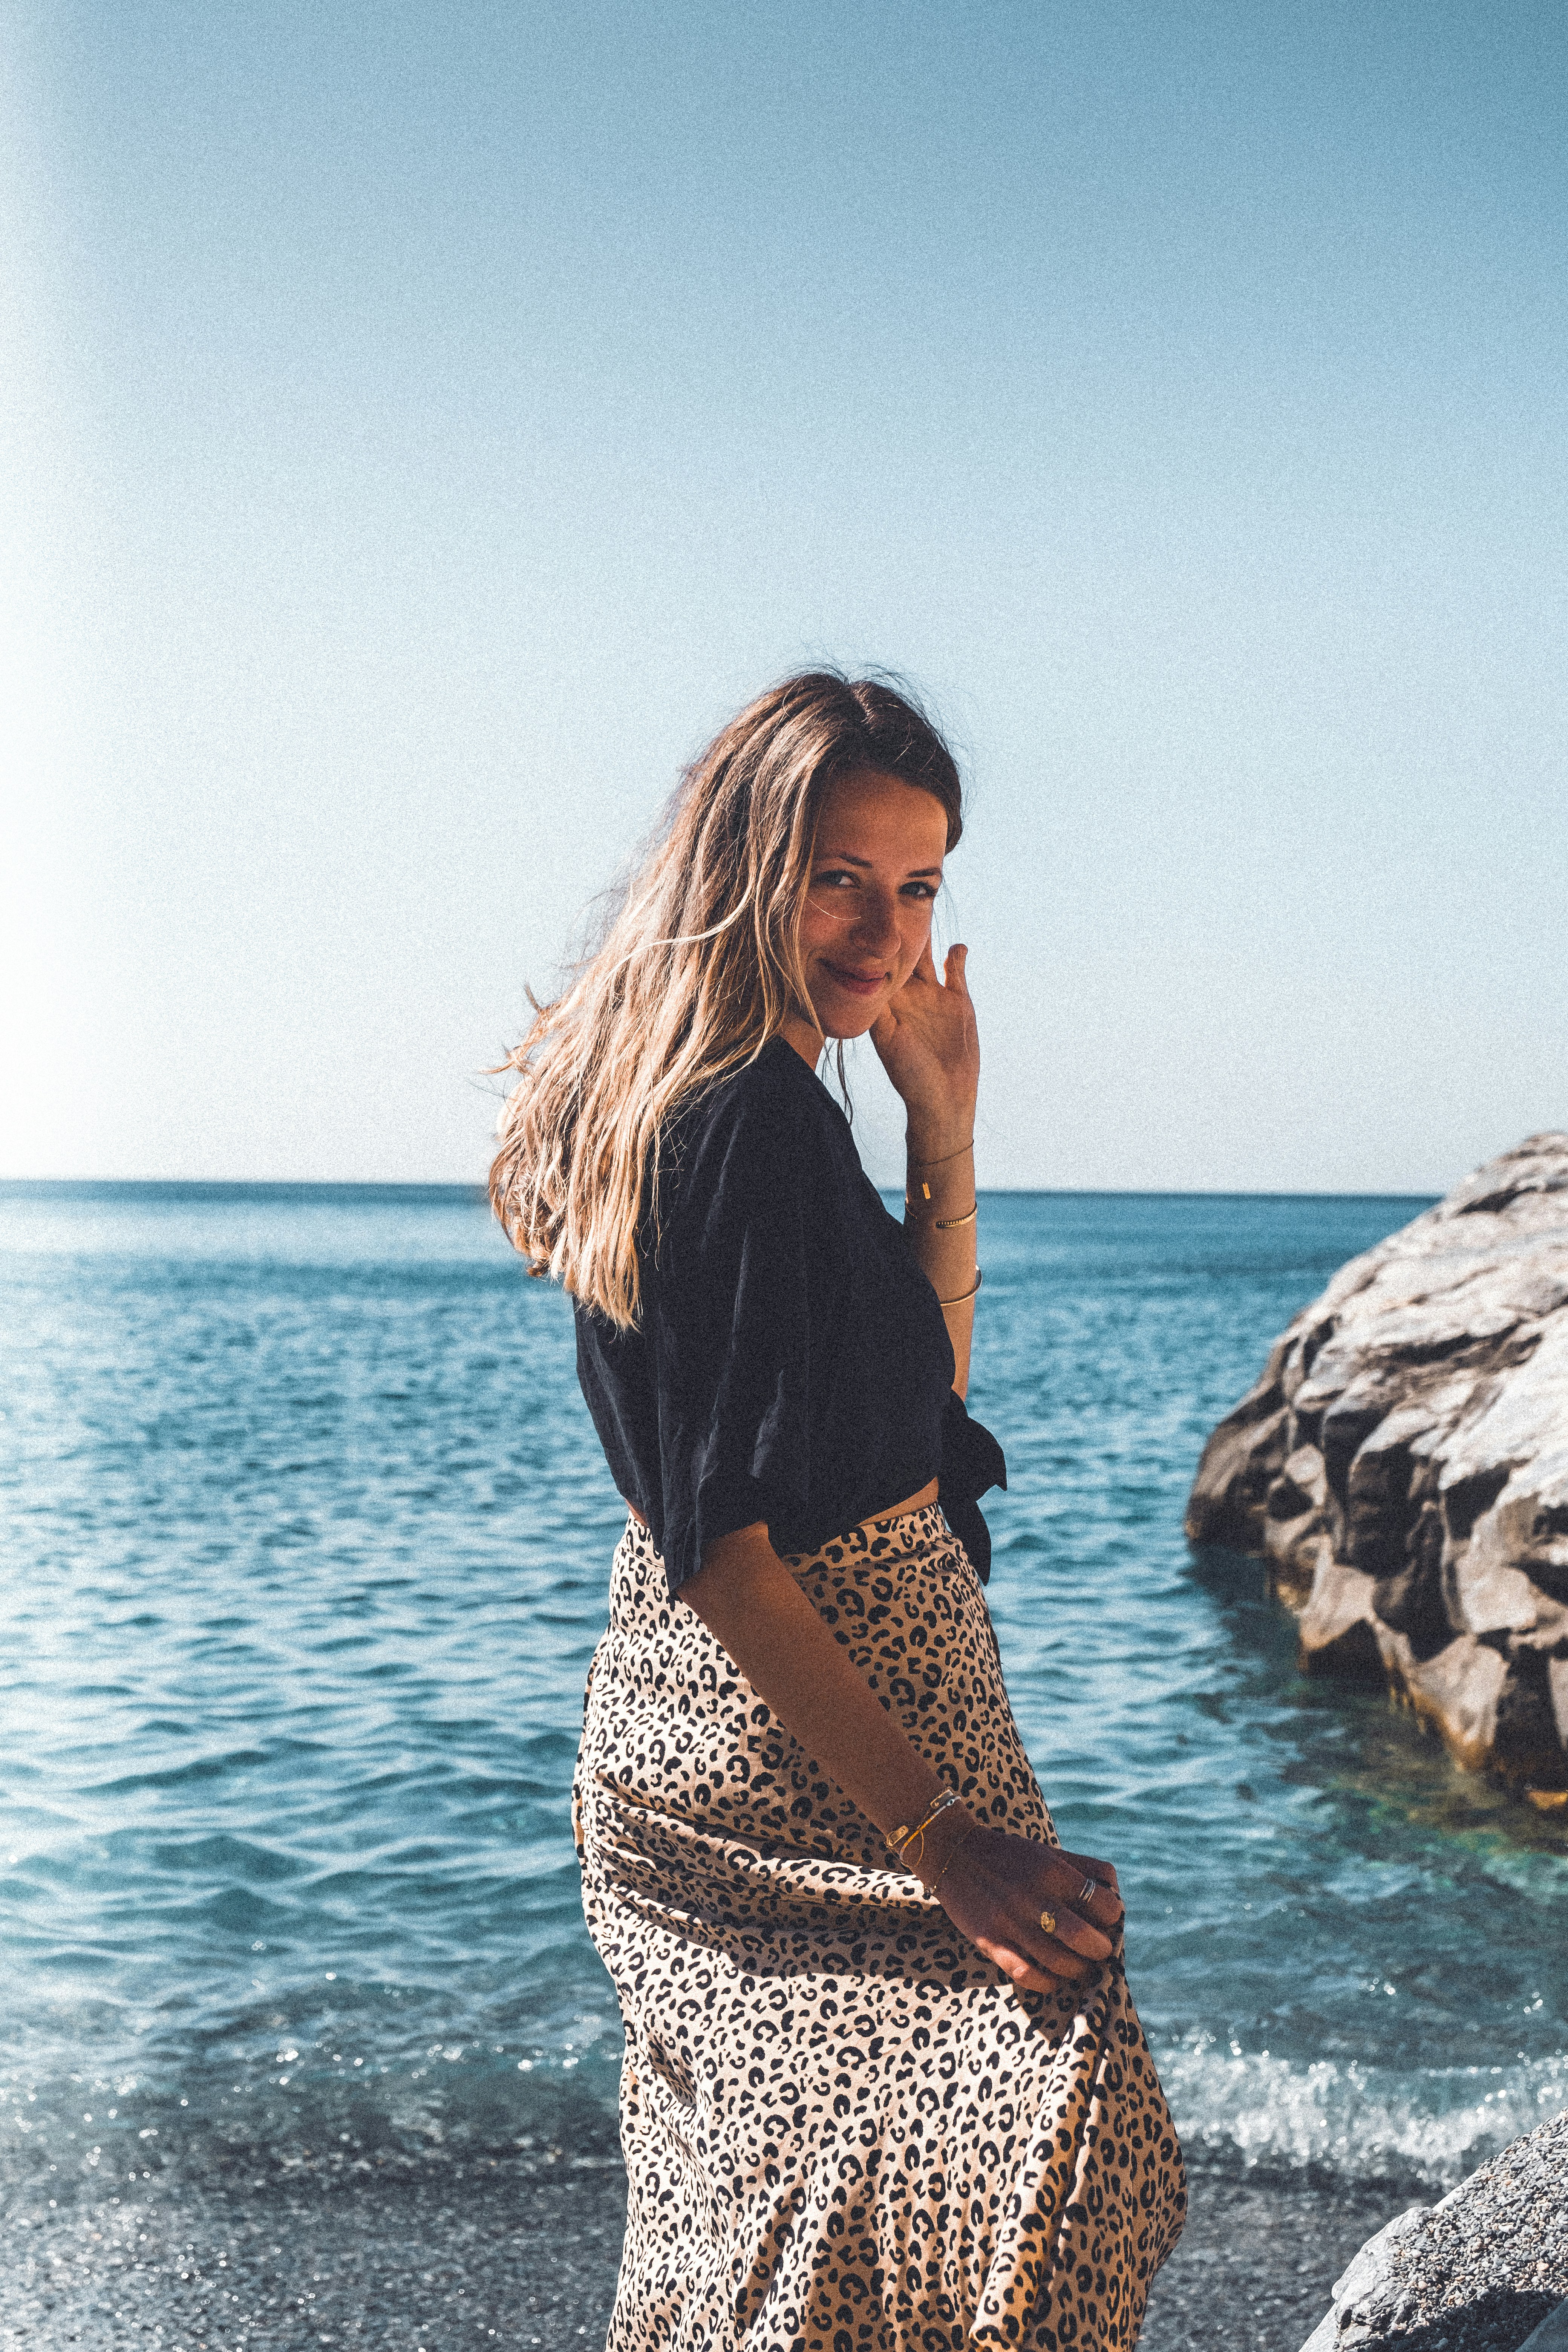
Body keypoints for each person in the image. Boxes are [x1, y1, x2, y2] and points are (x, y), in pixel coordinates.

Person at [492, 672, 1186, 2350]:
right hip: (814, 1742)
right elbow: (724, 1550)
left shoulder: (745, 1097)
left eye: (920, 885)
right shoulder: (742, 1119)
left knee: (804, 2223)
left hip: (736, 1729)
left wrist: (943, 1132)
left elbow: (910, 1421)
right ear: (747, 869)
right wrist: (943, 1842)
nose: (886, 932)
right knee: (1048, 2132)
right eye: (839, 880)